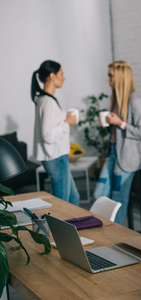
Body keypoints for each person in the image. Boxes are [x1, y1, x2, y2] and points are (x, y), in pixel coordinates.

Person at [93, 61, 141, 225]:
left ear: (120, 78)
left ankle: (114, 235)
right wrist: (110, 123)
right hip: (113, 154)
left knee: (118, 198)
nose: (108, 79)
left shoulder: (134, 101)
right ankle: (103, 231)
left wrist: (120, 123)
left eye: (111, 76)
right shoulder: (116, 98)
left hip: (127, 158)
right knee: (99, 195)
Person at [32, 60, 80, 205]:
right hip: (56, 158)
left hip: (55, 157)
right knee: (63, 205)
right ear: (52, 76)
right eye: (61, 74)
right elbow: (48, 135)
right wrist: (67, 122)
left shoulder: (43, 99)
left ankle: (72, 227)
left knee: (73, 199)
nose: (64, 78)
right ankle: (62, 228)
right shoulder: (48, 103)